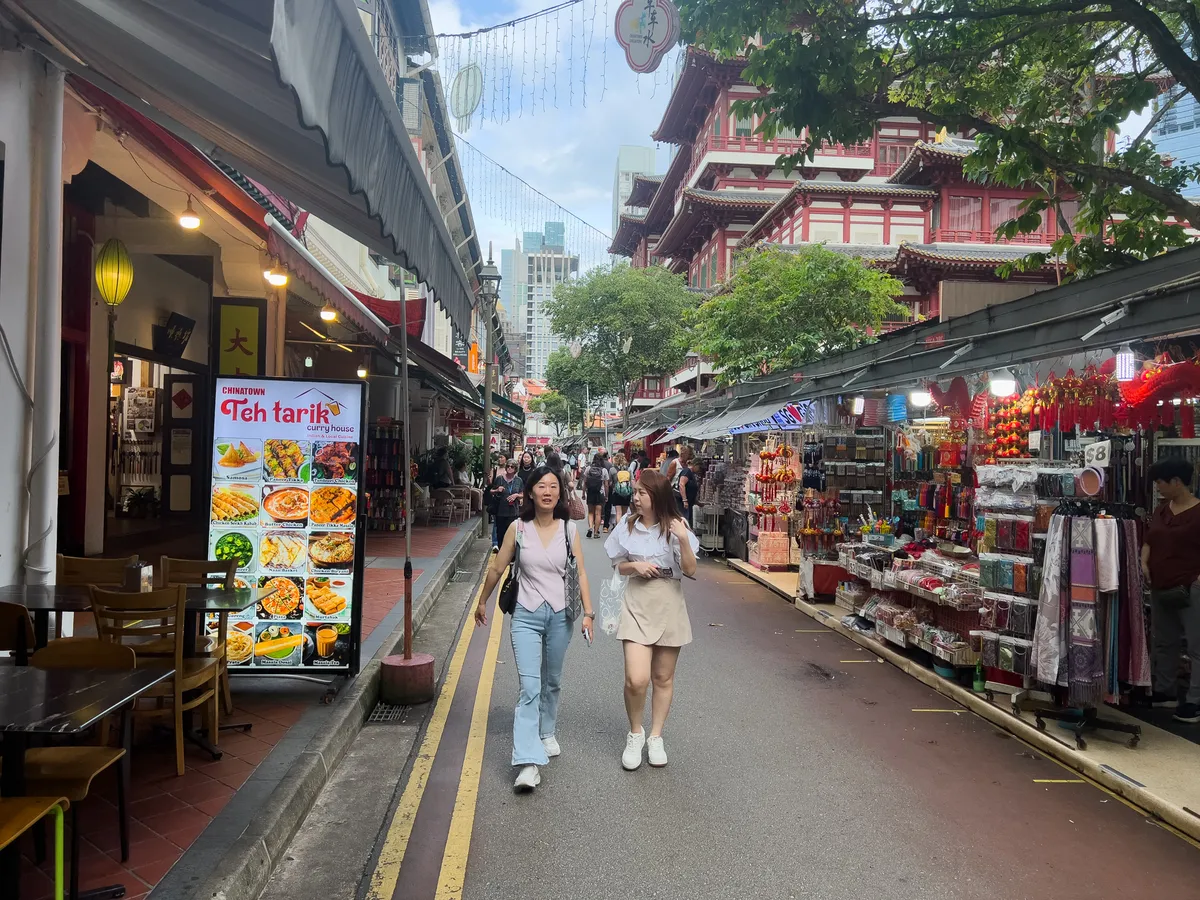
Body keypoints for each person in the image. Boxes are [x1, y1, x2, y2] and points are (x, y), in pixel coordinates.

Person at [475, 465, 593, 792]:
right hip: (525, 615)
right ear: (530, 492)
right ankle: (528, 762)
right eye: (541, 486)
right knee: (530, 687)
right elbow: (499, 567)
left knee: (551, 680)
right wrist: (482, 600)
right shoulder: (518, 528)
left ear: (560, 493)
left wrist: (589, 613)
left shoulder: (569, 530)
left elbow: (580, 573)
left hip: (560, 615)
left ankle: (546, 731)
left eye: (553, 486)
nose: (547, 492)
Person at [605, 469, 699, 770]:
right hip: (636, 599)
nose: (635, 497)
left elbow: (691, 570)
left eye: (641, 493)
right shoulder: (626, 525)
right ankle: (635, 732)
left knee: (662, 678)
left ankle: (656, 737)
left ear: (656, 497)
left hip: (669, 598)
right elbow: (618, 566)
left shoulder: (676, 527)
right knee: (636, 679)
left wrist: (683, 539)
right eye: (635, 492)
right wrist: (636, 565)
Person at [1142, 457, 1200, 723]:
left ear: (1177, 482)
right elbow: (1151, 539)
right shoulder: (1161, 511)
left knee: (1197, 645)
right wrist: (1145, 561)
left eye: (1161, 482)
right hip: (1161, 584)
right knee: (1164, 641)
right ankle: (1165, 690)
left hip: (1192, 586)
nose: (1158, 487)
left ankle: (1194, 701)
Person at [490, 461, 524, 552]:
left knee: (512, 534)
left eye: (512, 467)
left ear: (515, 469)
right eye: (508, 466)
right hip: (500, 511)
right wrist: (497, 490)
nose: (509, 468)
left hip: (513, 511)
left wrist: (516, 495)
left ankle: (511, 555)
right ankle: (501, 552)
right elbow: (491, 491)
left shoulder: (518, 480)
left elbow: (522, 493)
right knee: (500, 534)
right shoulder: (499, 479)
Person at [583, 452, 609, 538]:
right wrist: (606, 496)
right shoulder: (604, 470)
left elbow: (585, 482)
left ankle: (590, 527)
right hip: (600, 493)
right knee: (598, 513)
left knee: (590, 512)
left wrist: (583, 493)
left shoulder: (588, 468)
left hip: (590, 492)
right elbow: (606, 484)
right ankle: (596, 532)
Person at [677, 459, 701, 525]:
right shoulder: (687, 471)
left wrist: (697, 502)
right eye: (699, 467)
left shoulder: (692, 474)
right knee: (684, 521)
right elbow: (681, 484)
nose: (699, 470)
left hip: (689, 503)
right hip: (683, 504)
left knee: (688, 521)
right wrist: (685, 500)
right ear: (695, 465)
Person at [611, 453, 634, 521]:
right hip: (626, 492)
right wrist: (633, 492)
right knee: (624, 514)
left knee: (618, 513)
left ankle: (618, 529)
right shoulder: (628, 469)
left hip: (616, 492)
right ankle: (623, 529)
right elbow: (632, 481)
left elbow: (610, 482)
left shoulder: (612, 470)